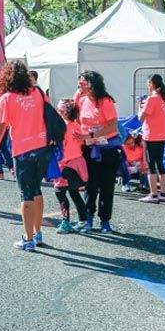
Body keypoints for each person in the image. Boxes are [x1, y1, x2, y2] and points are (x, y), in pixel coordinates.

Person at [0, 61, 51, 251]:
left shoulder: (7, 98)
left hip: (23, 150)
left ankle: (28, 239)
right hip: (43, 147)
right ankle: (38, 234)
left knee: (26, 195)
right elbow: (50, 115)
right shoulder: (38, 93)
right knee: (37, 190)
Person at [73, 70, 122, 234]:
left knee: (107, 186)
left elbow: (112, 126)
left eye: (83, 83)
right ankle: (88, 218)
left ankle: (105, 220)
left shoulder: (105, 101)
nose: (80, 85)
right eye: (79, 83)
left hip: (107, 149)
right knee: (90, 185)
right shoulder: (81, 99)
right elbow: (76, 119)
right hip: (88, 148)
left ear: (92, 84)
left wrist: (91, 135)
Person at [138, 73, 165, 203]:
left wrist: (140, 107)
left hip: (151, 136)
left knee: (151, 165)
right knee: (160, 163)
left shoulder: (151, 99)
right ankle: (163, 193)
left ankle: (153, 195)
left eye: (148, 83)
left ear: (151, 84)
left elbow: (141, 118)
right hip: (162, 135)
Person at [52, 98, 88, 233]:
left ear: (67, 112)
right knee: (73, 192)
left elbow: (61, 148)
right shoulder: (76, 125)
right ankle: (83, 220)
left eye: (60, 109)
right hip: (77, 163)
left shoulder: (63, 127)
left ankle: (65, 222)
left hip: (66, 164)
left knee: (60, 192)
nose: (58, 111)